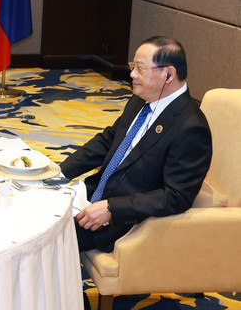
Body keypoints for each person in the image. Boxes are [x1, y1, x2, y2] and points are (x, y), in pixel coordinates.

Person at [61, 36, 212, 252]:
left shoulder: (190, 128)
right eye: (133, 66)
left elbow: (176, 196)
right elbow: (108, 140)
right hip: (92, 197)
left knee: (40, 237)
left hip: (124, 223)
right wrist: (58, 173)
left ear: (168, 74)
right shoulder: (141, 99)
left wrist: (113, 208)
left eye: (140, 68)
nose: (131, 74)